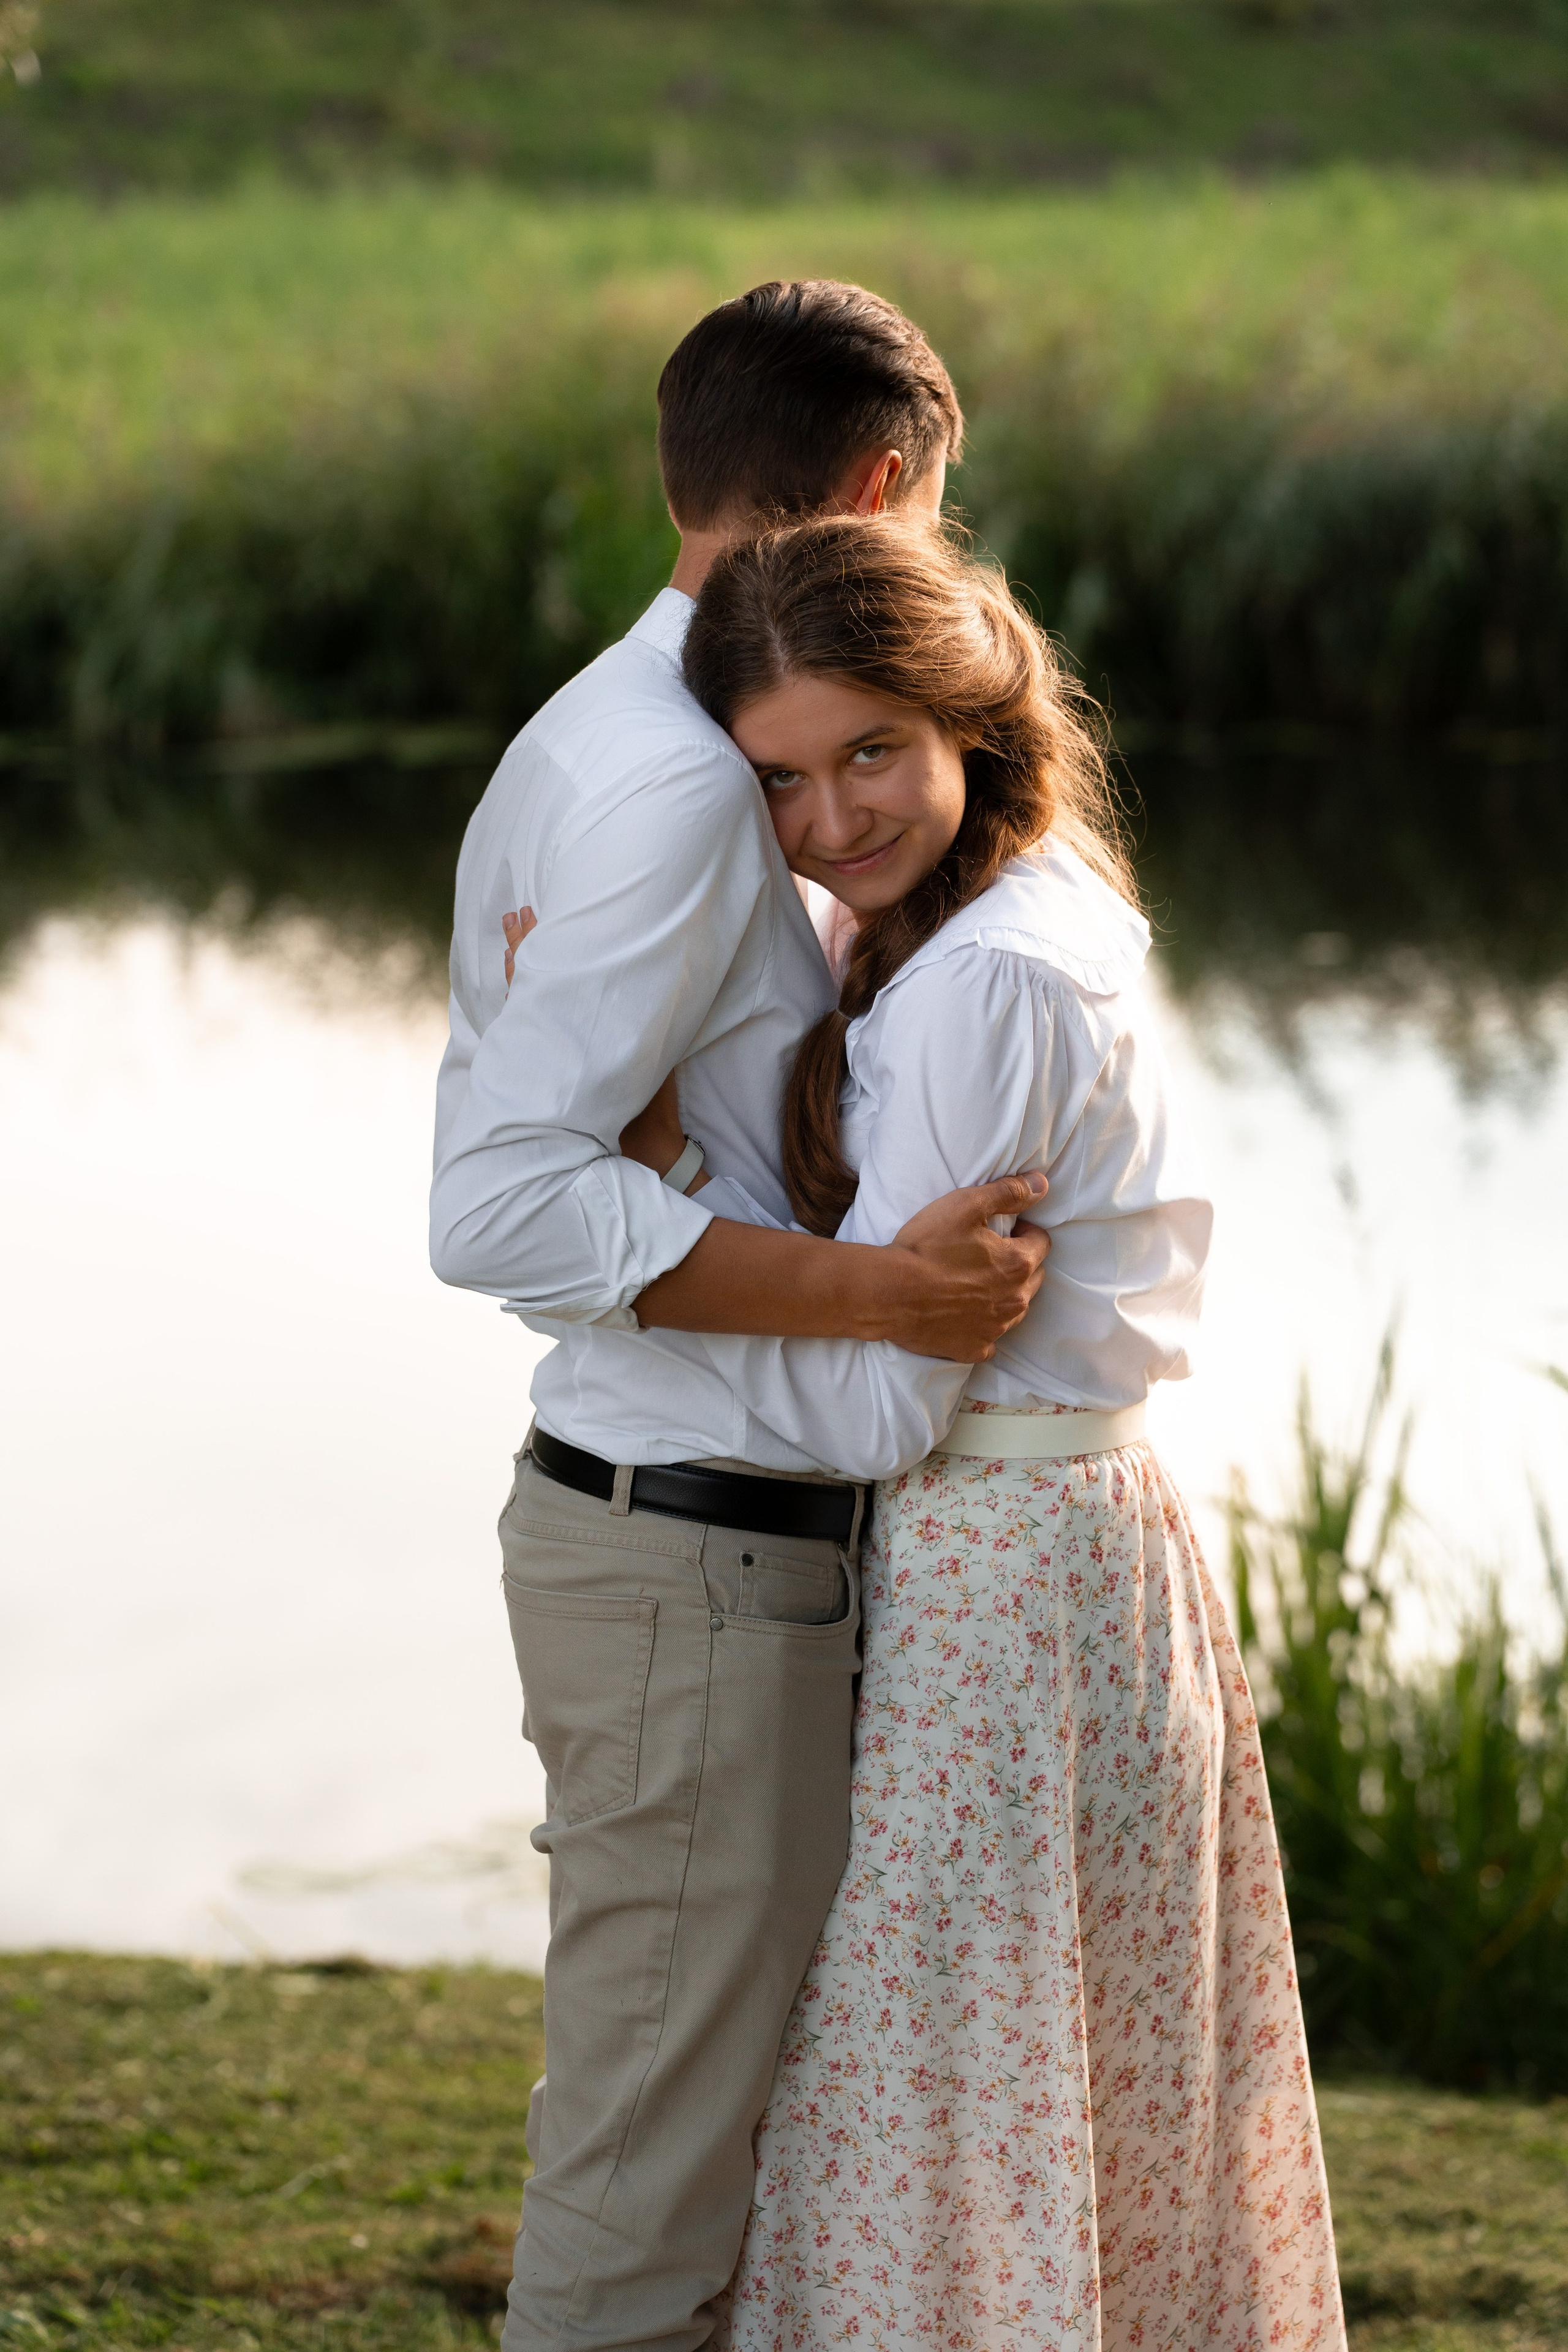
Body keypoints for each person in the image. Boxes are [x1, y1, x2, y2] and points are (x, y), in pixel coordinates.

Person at [603, 514, 1347, 2349]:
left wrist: (663, 1262)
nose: (835, 820)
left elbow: (880, 1395)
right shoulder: (1027, 903)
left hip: (991, 1574)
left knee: (925, 2078)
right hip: (1074, 1548)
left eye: (874, 752)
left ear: (967, 720)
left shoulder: (981, 984)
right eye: (782, 780)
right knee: (1035, 2068)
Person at [429, 281, 1052, 2352]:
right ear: (882, 491)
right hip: (689, 1564)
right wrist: (889, 1287)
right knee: (647, 2216)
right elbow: (502, 1199)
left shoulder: (626, 729)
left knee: (703, 2190)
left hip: (684, 1547)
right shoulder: (688, 785)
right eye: (932, 518)